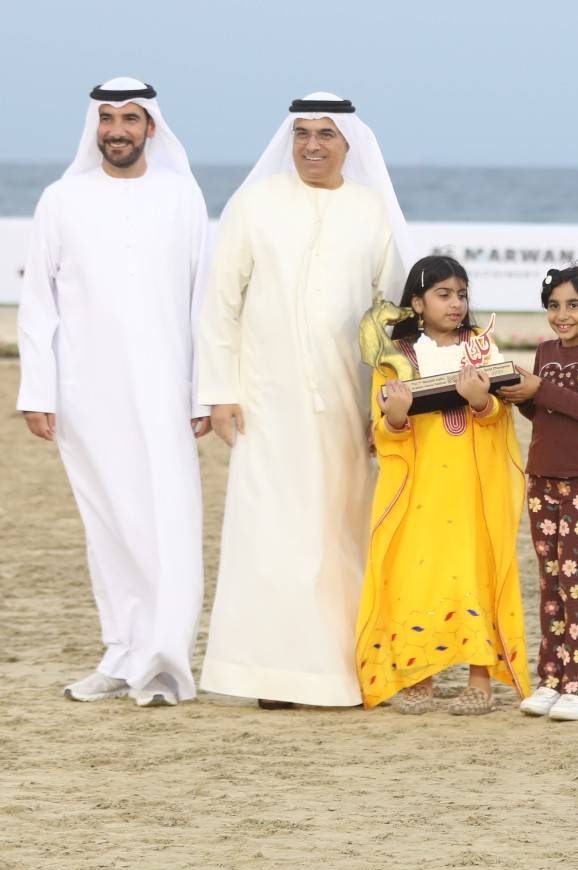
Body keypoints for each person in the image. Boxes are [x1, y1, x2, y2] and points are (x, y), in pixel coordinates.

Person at [197, 93, 406, 709]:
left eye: (326, 134)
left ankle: (341, 669)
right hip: (263, 402)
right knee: (268, 533)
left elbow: (392, 317)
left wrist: (385, 403)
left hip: (346, 405)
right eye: (302, 134)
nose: (313, 145)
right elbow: (220, 304)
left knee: (337, 530)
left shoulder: (372, 212)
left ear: (349, 144)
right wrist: (220, 392)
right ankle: (269, 677)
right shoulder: (255, 205)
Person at [15, 78, 208, 707]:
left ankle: (165, 662)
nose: (117, 130)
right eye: (107, 118)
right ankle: (121, 653)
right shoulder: (61, 198)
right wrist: (37, 389)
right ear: (94, 126)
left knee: (168, 521)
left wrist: (203, 392)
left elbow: (203, 302)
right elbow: (39, 301)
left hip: (165, 389)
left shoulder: (182, 195)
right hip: (83, 391)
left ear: (152, 126)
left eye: (130, 118)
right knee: (108, 524)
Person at [355, 256, 529, 715]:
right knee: (418, 574)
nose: (456, 304)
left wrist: (480, 402)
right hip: (420, 492)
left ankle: (480, 683)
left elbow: (498, 417)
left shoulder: (481, 348)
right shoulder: (396, 356)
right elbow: (384, 429)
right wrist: (395, 413)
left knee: (474, 572)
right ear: (417, 302)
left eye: (462, 294)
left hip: (472, 490)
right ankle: (419, 678)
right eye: (443, 294)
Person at [497, 265, 578, 722]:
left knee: (573, 579)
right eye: (553, 306)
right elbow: (547, 414)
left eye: (573, 305)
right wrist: (521, 396)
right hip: (542, 477)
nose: (562, 315)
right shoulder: (546, 350)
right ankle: (551, 680)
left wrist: (540, 389)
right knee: (550, 582)